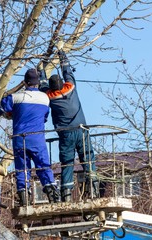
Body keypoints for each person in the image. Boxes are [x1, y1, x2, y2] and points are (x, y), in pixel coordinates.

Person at [39, 48, 99, 202]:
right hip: (81, 130)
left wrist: (41, 70)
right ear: (61, 84)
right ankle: (93, 187)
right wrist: (62, 56)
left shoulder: (50, 96)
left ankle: (66, 193)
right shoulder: (70, 87)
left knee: (67, 162)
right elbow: (67, 72)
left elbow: (43, 84)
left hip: (66, 133)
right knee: (88, 157)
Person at [0, 68, 60, 206]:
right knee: (43, 166)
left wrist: (12, 114)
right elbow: (44, 118)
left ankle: (24, 198)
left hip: (20, 139)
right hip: (37, 139)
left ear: (25, 82)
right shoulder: (45, 99)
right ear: (37, 83)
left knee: (22, 168)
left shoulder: (16, 97)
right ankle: (53, 197)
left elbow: (0, 108)